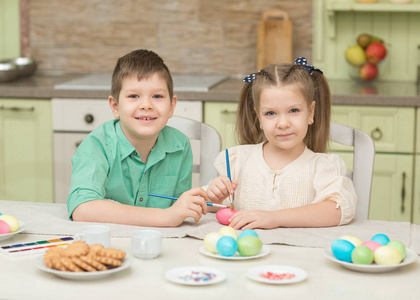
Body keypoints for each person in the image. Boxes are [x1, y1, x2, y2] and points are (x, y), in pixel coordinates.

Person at [206, 57, 358, 230]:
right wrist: (214, 198)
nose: (283, 123)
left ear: (310, 112)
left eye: (294, 111)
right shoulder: (237, 160)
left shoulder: (323, 167)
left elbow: (337, 210)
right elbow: (207, 205)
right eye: (271, 113)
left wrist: (274, 218)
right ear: (259, 118)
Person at [67, 49, 208, 227]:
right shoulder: (97, 145)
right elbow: (83, 208)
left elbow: (178, 207)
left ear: (172, 106)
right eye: (134, 96)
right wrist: (165, 217)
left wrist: (208, 201)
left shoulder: (181, 145)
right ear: (115, 106)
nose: (146, 105)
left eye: (157, 96)